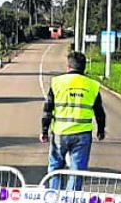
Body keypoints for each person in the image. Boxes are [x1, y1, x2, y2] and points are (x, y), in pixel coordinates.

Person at [41, 50, 106, 190]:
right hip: (82, 134)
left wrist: (44, 131)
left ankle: (53, 195)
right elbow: (99, 112)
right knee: (77, 169)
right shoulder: (92, 85)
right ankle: (71, 199)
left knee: (55, 166)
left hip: (60, 133)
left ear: (68, 67)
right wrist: (101, 130)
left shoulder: (57, 82)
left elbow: (48, 109)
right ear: (84, 67)